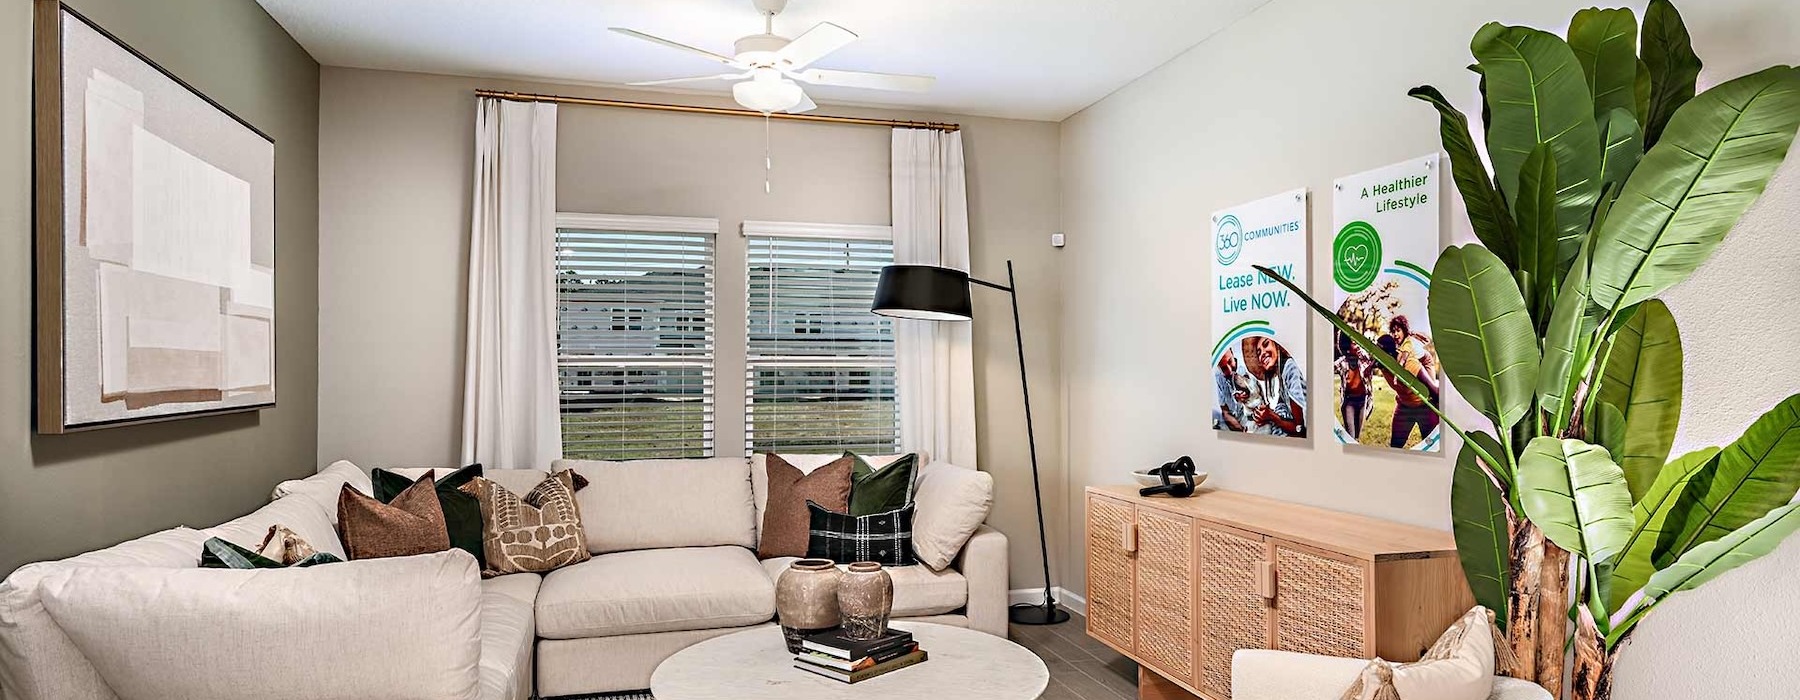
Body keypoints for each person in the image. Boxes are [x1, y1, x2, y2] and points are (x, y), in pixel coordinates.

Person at [1376, 315, 1440, 448]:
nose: (1395, 334)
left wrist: (1398, 371)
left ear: (1404, 330)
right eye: (1393, 331)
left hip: (1424, 362)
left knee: (1430, 392)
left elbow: (1404, 358)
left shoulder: (1407, 346)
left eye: (1398, 330)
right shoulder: (1394, 349)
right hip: (1406, 401)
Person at [1247, 336, 1306, 438]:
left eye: (1266, 344)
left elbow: (1299, 428)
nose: (1263, 354)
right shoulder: (1282, 375)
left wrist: (1272, 416)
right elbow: (1280, 406)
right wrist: (1264, 414)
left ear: (1277, 345)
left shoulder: (1290, 368)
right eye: (1259, 352)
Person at [1334, 331, 1372, 441]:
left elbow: (1375, 359)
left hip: (1362, 400)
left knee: (1356, 437)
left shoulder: (1364, 358)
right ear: (1347, 347)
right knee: (1350, 436)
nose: (1358, 346)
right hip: (1349, 402)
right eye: (1354, 343)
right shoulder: (1342, 362)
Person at [1214, 348, 1246, 431]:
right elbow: (1225, 411)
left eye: (1230, 361)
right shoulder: (1218, 377)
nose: (1229, 370)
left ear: (1233, 354)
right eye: (1224, 368)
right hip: (1234, 425)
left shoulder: (1246, 369)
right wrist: (1239, 428)